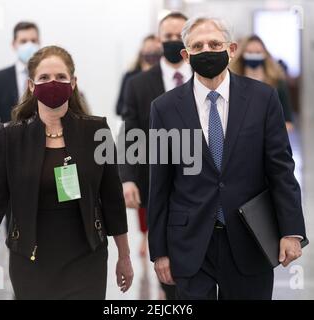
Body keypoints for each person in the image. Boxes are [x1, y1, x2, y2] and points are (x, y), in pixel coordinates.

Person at [148, 16, 306, 300]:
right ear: (186, 55)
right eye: (198, 46)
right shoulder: (164, 108)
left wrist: (292, 230)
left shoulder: (263, 98)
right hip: (190, 242)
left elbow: (281, 169)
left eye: (214, 43)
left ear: (231, 50)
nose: (207, 50)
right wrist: (159, 250)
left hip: (250, 238)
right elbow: (159, 183)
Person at [0, 46, 133, 300]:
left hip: (86, 257)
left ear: (73, 83)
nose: (53, 83)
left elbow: (113, 199)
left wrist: (124, 256)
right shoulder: (10, 136)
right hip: (30, 258)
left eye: (61, 77)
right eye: (44, 78)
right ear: (30, 85)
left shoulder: (96, 132)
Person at [119, 12, 191, 300]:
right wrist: (127, 179)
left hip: (199, 183)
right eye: (167, 36)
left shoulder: (204, 78)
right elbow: (129, 133)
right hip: (156, 183)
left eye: (179, 36)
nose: (173, 41)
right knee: (167, 262)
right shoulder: (138, 84)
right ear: (159, 40)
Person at [0, 21, 41, 189]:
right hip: (8, 156)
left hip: (44, 152)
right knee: (10, 210)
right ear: (14, 44)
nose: (29, 45)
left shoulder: (48, 77)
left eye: (33, 40)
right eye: (23, 41)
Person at [116, 34, 161, 257]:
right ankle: (146, 234)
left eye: (156, 49)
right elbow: (121, 107)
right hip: (140, 139)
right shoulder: (132, 78)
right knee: (144, 191)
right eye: (148, 50)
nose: (152, 54)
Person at [229, 35, 294, 131]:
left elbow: (288, 122)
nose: (254, 55)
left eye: (258, 52)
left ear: (265, 54)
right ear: (242, 54)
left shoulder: (277, 83)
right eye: (250, 52)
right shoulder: (232, 81)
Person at [115, 34, 162, 116]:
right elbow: (119, 108)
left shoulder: (164, 76)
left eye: (156, 50)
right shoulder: (130, 76)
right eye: (149, 49)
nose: (152, 52)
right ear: (142, 51)